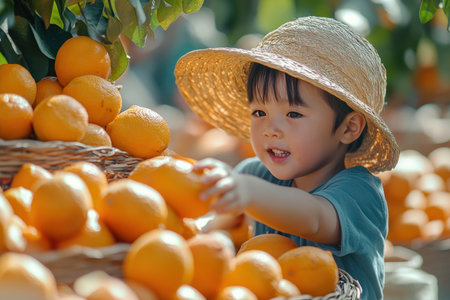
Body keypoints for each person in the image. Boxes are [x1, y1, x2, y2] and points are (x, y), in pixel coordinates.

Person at [174, 16, 399, 300]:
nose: (270, 130)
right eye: (259, 113)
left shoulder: (360, 192)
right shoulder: (256, 176)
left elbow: (314, 218)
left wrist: (246, 191)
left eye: (293, 114)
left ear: (348, 128)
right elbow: (214, 229)